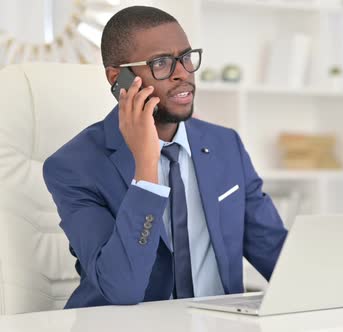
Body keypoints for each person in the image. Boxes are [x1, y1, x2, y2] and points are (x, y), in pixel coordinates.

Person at [43, 6, 287, 309]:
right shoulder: (73, 166)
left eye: (185, 57)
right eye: (161, 63)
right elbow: (122, 289)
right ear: (119, 78)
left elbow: (278, 256)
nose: (182, 73)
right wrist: (147, 167)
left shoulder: (226, 146)